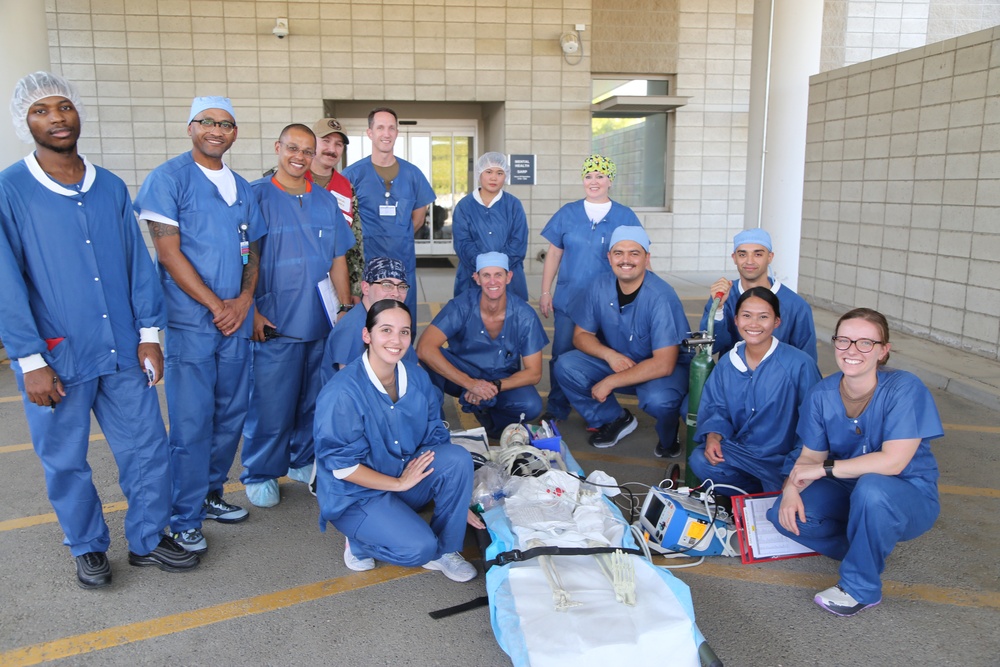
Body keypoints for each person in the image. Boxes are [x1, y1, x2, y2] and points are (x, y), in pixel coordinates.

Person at [0, 71, 199, 588]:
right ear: (26, 121)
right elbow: (6, 282)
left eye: (63, 107)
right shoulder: (10, 190)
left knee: (147, 447)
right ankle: (87, 545)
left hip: (123, 350)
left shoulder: (108, 186)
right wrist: (29, 360)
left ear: (78, 111)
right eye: (41, 111)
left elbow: (137, 263)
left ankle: (149, 538)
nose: (56, 118)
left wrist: (150, 334)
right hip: (57, 356)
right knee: (65, 460)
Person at [135, 96, 265, 554]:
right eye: (207, 122)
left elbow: (253, 251)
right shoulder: (169, 179)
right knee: (192, 422)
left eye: (226, 124)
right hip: (194, 324)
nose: (217, 130)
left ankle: (211, 494)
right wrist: (217, 305)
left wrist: (245, 299)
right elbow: (169, 254)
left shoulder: (243, 189)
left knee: (231, 415)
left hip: (234, 321)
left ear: (234, 133)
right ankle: (182, 515)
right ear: (191, 127)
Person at [767, 308, 944, 617]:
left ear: (883, 351)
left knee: (873, 488)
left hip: (907, 493)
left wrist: (823, 470)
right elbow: (810, 455)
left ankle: (860, 587)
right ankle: (866, 546)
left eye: (865, 343)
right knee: (781, 515)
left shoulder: (905, 388)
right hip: (850, 488)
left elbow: (893, 463)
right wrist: (791, 488)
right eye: (844, 341)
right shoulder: (821, 394)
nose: (851, 350)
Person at [314, 299, 480, 582]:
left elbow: (435, 437)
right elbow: (342, 467)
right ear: (367, 336)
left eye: (404, 332)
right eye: (386, 330)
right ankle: (360, 540)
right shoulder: (342, 393)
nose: (396, 339)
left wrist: (457, 496)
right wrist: (399, 484)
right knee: (419, 548)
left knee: (457, 458)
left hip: (403, 478)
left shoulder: (416, 377)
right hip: (357, 495)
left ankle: (445, 550)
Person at [240, 124, 354, 508]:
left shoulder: (324, 201)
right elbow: (244, 258)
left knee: (312, 399)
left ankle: (301, 459)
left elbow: (339, 256)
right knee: (271, 404)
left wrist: (342, 308)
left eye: (307, 151)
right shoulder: (255, 197)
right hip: (275, 319)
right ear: (278, 148)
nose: (299, 157)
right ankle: (260, 471)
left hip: (319, 318)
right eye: (293, 148)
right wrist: (250, 308)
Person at [554, 226, 690, 456]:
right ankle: (615, 419)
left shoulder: (661, 297)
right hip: (621, 359)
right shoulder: (600, 285)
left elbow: (664, 364)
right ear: (609, 257)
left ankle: (669, 434)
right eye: (618, 253)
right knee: (566, 365)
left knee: (659, 400)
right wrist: (610, 355)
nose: (626, 260)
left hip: (662, 371)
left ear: (647, 258)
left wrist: (611, 381)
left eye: (634, 253)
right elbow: (581, 336)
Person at [539, 154, 642, 422]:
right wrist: (545, 291)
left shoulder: (625, 215)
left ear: (610, 180)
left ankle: (603, 407)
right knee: (561, 355)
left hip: (609, 303)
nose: (593, 181)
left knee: (606, 357)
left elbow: (641, 257)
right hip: (569, 300)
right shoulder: (567, 213)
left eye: (600, 176)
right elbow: (553, 255)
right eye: (588, 176)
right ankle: (558, 408)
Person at [689, 287, 822, 494]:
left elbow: (814, 423)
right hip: (742, 453)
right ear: (735, 320)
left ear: (777, 322)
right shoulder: (727, 363)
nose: (753, 324)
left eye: (763, 317)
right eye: (746, 316)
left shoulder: (799, 364)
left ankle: (773, 493)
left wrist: (797, 466)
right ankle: (756, 496)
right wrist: (714, 436)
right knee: (700, 460)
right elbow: (717, 407)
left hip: (783, 459)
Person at [418, 252, 548, 438]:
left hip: (499, 379)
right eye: (486, 275)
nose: (492, 281)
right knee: (422, 362)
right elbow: (424, 347)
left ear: (509, 277)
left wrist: (492, 386)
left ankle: (491, 420)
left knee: (531, 405)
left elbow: (534, 373)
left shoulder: (524, 315)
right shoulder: (462, 305)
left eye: (498, 275)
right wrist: (470, 384)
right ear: (476, 278)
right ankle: (435, 427)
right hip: (461, 374)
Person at [343, 107, 436, 316]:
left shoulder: (413, 175)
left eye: (391, 128)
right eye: (380, 127)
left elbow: (419, 219)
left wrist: (397, 239)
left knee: (402, 320)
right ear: (370, 133)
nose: (386, 133)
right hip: (365, 268)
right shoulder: (352, 175)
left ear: (397, 132)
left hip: (402, 265)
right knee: (368, 324)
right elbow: (343, 224)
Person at [700, 228, 817, 361]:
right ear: (734, 258)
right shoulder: (723, 296)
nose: (749, 261)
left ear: (770, 257)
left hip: (779, 380)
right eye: (742, 254)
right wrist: (719, 308)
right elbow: (710, 348)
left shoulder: (796, 306)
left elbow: (807, 361)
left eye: (758, 254)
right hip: (733, 379)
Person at [320, 256, 417, 385]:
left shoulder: (391, 320)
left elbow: (414, 366)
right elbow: (352, 388)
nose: (396, 293)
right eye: (387, 285)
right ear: (366, 288)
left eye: (402, 286)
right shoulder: (351, 330)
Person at [451, 152, 528, 301]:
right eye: (489, 172)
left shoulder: (513, 205)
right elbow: (462, 243)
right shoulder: (464, 206)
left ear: (506, 176)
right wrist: (483, 269)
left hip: (509, 278)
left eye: (499, 173)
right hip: (472, 277)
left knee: (509, 319)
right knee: (472, 318)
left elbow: (518, 242)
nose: (494, 177)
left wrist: (499, 271)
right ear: (480, 174)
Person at [308, 117, 364, 299]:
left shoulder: (347, 188)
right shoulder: (291, 180)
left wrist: (355, 289)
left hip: (336, 283)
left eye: (338, 144)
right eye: (326, 141)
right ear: (312, 142)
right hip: (297, 280)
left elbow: (354, 241)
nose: (332, 149)